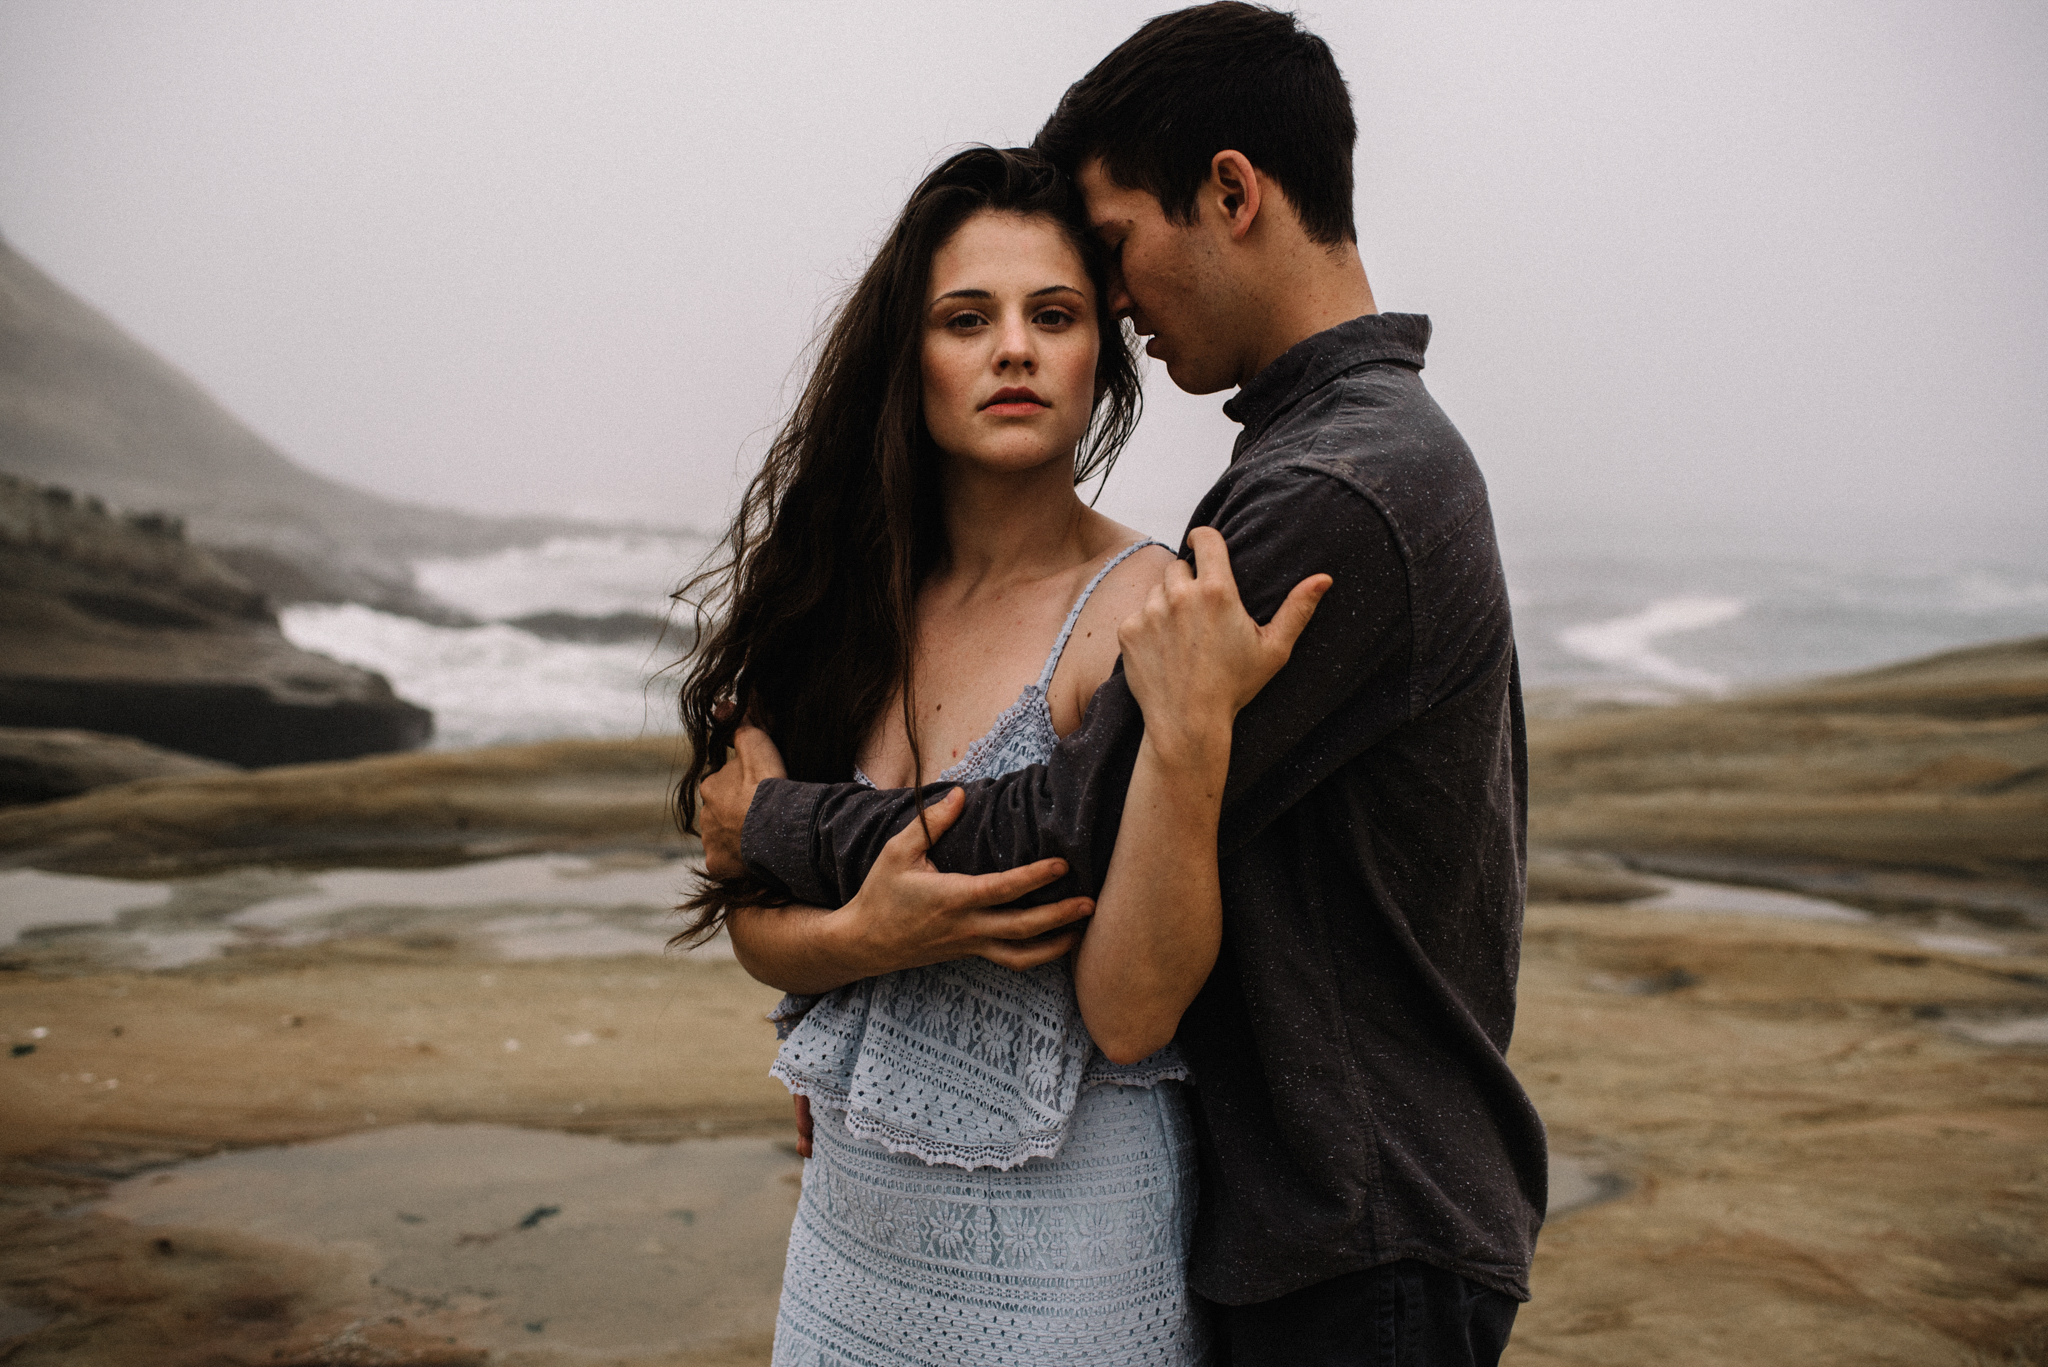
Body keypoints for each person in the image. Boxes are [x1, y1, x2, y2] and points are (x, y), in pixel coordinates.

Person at [698, 5, 1550, 1365]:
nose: (1100, 311)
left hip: (1353, 1225)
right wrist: (849, 939)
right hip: (1303, 1217)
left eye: (1092, 276)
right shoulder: (1313, 463)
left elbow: (1061, 837)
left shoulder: (1322, 494)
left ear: (1230, 191)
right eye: (967, 317)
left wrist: (780, 826)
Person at [674, 145, 1328, 1366]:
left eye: (1055, 315)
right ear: (905, 357)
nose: (1013, 349)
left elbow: (1134, 1010)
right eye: (966, 318)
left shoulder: (1143, 603)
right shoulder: (838, 603)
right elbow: (750, 904)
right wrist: (864, 938)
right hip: (847, 1243)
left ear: (1101, 356)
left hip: (1073, 1242)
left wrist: (1189, 737)